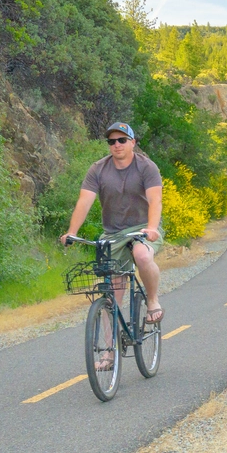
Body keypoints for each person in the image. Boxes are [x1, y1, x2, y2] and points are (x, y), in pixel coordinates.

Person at [60, 122, 165, 332]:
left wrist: (152, 228)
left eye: (122, 140)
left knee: (142, 256)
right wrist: (72, 232)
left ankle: (152, 300)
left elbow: (155, 201)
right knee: (111, 296)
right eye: (112, 141)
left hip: (142, 227)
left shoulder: (147, 167)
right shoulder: (98, 169)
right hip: (113, 234)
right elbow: (84, 202)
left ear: (132, 143)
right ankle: (109, 353)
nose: (117, 145)